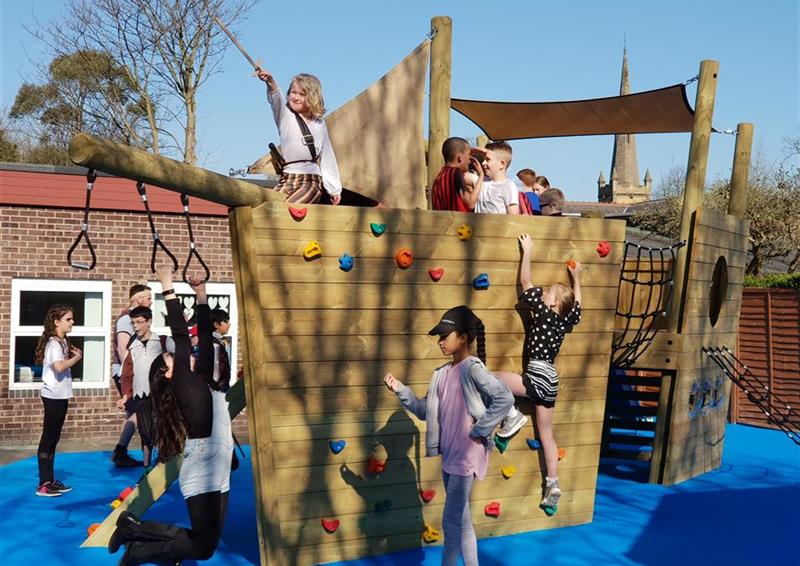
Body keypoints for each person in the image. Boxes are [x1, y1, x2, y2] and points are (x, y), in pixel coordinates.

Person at [109, 267, 233, 565]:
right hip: (202, 466)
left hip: (220, 460)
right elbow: (180, 331)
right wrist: (167, 286)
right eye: (170, 357)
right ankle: (139, 538)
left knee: (209, 544)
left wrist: (201, 293)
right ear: (167, 374)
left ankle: (135, 535)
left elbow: (203, 333)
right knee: (202, 549)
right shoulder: (182, 382)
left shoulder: (200, 377)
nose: (176, 354)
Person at [384, 306, 513, 566]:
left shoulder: (472, 368)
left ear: (464, 337)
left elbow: (505, 397)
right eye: (439, 337)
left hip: (467, 456)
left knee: (451, 520)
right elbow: (424, 411)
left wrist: (481, 429)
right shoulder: (441, 374)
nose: (441, 341)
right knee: (462, 520)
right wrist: (401, 390)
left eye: (446, 335)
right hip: (450, 456)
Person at [495, 234, 582, 514]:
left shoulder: (544, 312)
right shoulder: (563, 320)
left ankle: (512, 416)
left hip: (537, 374)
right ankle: (552, 484)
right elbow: (576, 308)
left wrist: (528, 251)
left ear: (553, 304)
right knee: (546, 436)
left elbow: (525, 284)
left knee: (492, 378)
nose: (543, 294)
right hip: (550, 381)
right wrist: (575, 278)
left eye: (549, 294)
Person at [257, 68, 342, 205]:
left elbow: (327, 156)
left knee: (287, 209)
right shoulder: (286, 116)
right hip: (287, 177)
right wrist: (270, 82)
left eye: (301, 94)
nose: (295, 97)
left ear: (312, 97)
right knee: (268, 210)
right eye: (293, 92)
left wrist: (334, 189)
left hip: (309, 181)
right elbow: (276, 98)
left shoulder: (319, 125)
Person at [34, 304, 82, 497]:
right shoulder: (54, 344)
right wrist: (77, 358)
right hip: (53, 395)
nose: (72, 322)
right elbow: (59, 367)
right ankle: (44, 484)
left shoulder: (62, 342)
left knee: (54, 438)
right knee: (48, 438)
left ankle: (50, 480)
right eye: (68, 319)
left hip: (61, 395)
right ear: (56, 322)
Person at [118, 306, 171, 471]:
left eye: (140, 322)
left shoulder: (162, 341)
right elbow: (127, 374)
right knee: (145, 432)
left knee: (162, 429)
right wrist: (126, 395)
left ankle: (164, 464)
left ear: (149, 322)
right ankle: (147, 468)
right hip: (141, 394)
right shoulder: (132, 347)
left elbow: (182, 355)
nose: (136, 326)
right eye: (133, 323)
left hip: (161, 394)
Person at [111, 284, 153, 468]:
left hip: (132, 372)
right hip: (127, 373)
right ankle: (120, 451)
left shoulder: (136, 318)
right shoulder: (125, 320)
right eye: (148, 298)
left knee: (135, 413)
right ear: (138, 299)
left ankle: (122, 452)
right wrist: (132, 375)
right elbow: (123, 347)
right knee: (139, 412)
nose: (151, 301)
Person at [463, 141, 520, 215]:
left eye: (488, 159)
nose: (483, 163)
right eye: (483, 159)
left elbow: (514, 217)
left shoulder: (508, 187)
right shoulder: (480, 181)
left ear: (502, 164)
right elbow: (459, 174)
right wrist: (470, 152)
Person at [431, 137, 483, 212]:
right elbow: (470, 203)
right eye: (469, 155)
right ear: (460, 157)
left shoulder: (439, 176)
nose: (470, 160)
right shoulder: (455, 173)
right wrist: (481, 175)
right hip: (456, 222)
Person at [210, 308, 232, 392]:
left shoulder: (216, 341)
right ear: (216, 324)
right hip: (218, 390)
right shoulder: (214, 344)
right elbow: (216, 370)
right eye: (226, 321)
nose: (229, 324)